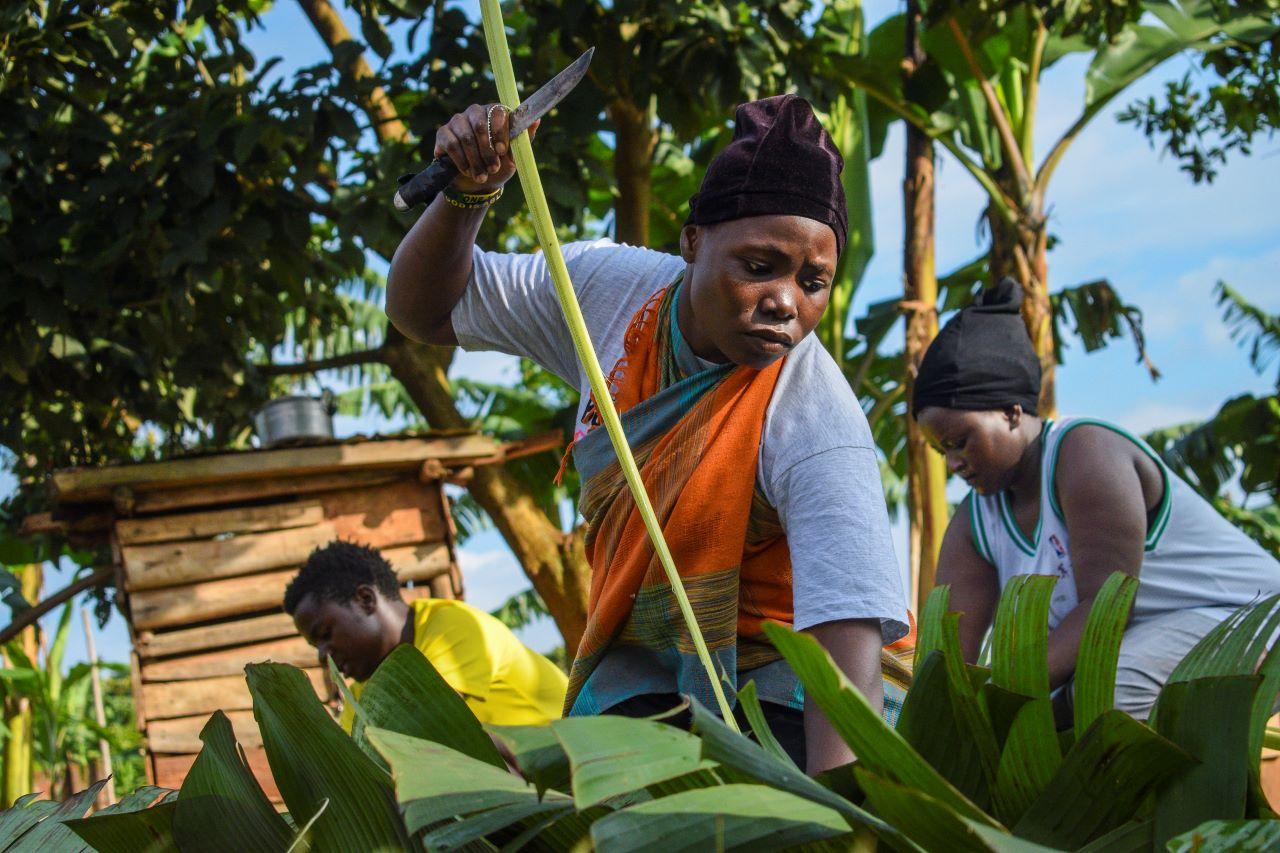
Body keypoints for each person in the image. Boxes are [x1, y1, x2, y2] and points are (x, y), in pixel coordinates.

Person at [385, 93, 909, 773]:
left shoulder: (815, 414)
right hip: (643, 680)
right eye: (759, 266)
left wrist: (842, 813)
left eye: (814, 281)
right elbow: (426, 311)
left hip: (790, 692)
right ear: (692, 241)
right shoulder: (608, 290)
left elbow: (846, 639)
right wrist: (467, 195)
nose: (786, 301)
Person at [915, 278, 1280, 721]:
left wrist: (996, 698)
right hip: (1147, 640)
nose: (953, 463)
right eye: (942, 451)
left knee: (1108, 692)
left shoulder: (1084, 454)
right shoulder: (976, 522)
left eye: (960, 441)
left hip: (1250, 620)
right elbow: (949, 660)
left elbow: (1105, 610)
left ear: (1011, 411)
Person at [284, 541, 568, 730]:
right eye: (315, 645)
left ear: (365, 599)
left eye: (324, 634)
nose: (322, 656)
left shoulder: (452, 626)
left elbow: (425, 730)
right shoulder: (366, 688)